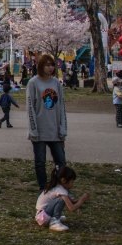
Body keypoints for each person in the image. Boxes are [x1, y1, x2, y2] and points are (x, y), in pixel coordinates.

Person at [26, 53, 67, 190]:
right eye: (47, 65)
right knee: (40, 162)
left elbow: (61, 106)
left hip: (54, 129)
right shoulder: (33, 83)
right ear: (41, 66)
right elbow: (30, 107)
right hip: (40, 130)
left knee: (61, 161)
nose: (50, 68)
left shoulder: (56, 83)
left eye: (52, 65)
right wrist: (33, 129)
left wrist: (62, 128)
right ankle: (43, 187)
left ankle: (58, 186)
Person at [35, 165, 89, 233]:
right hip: (43, 217)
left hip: (42, 215)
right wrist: (82, 200)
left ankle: (54, 218)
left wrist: (80, 200)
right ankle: (54, 222)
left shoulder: (58, 187)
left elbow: (72, 201)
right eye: (72, 182)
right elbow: (71, 208)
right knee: (61, 199)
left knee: (61, 199)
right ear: (63, 180)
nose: (73, 184)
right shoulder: (60, 190)